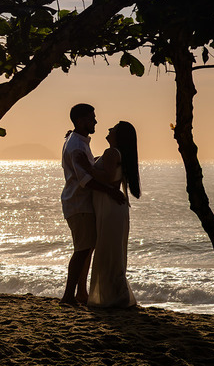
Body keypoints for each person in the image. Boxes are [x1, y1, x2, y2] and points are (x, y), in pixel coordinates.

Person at [60, 103, 126, 305]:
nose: (95, 121)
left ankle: (80, 292)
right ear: (81, 121)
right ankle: (68, 296)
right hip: (79, 203)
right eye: (92, 118)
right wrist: (111, 191)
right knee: (82, 250)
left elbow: (88, 170)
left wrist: (95, 162)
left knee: (86, 249)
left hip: (81, 203)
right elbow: (85, 180)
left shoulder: (79, 141)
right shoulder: (77, 146)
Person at [88, 120, 141, 308]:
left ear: (118, 135)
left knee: (108, 253)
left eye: (113, 128)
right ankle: (114, 295)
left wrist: (86, 168)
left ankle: (112, 298)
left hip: (110, 207)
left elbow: (109, 178)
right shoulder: (119, 154)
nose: (109, 129)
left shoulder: (111, 152)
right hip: (114, 208)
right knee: (112, 253)